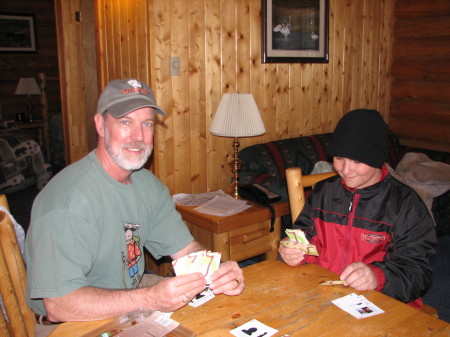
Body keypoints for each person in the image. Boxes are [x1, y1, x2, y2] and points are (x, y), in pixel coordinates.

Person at [25, 79, 245, 332]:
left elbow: (186, 250)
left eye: (147, 123)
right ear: (100, 125)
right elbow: (60, 304)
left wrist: (218, 272)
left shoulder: (146, 184)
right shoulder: (67, 201)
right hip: (67, 325)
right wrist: (150, 298)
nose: (138, 136)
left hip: (127, 303)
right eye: (125, 122)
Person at [279, 109, 436, 308]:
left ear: (376, 158)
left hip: (382, 301)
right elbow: (305, 237)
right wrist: (291, 250)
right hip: (325, 293)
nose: (345, 169)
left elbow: (418, 273)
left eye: (357, 161)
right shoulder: (324, 192)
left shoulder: (405, 205)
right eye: (339, 158)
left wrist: (378, 277)